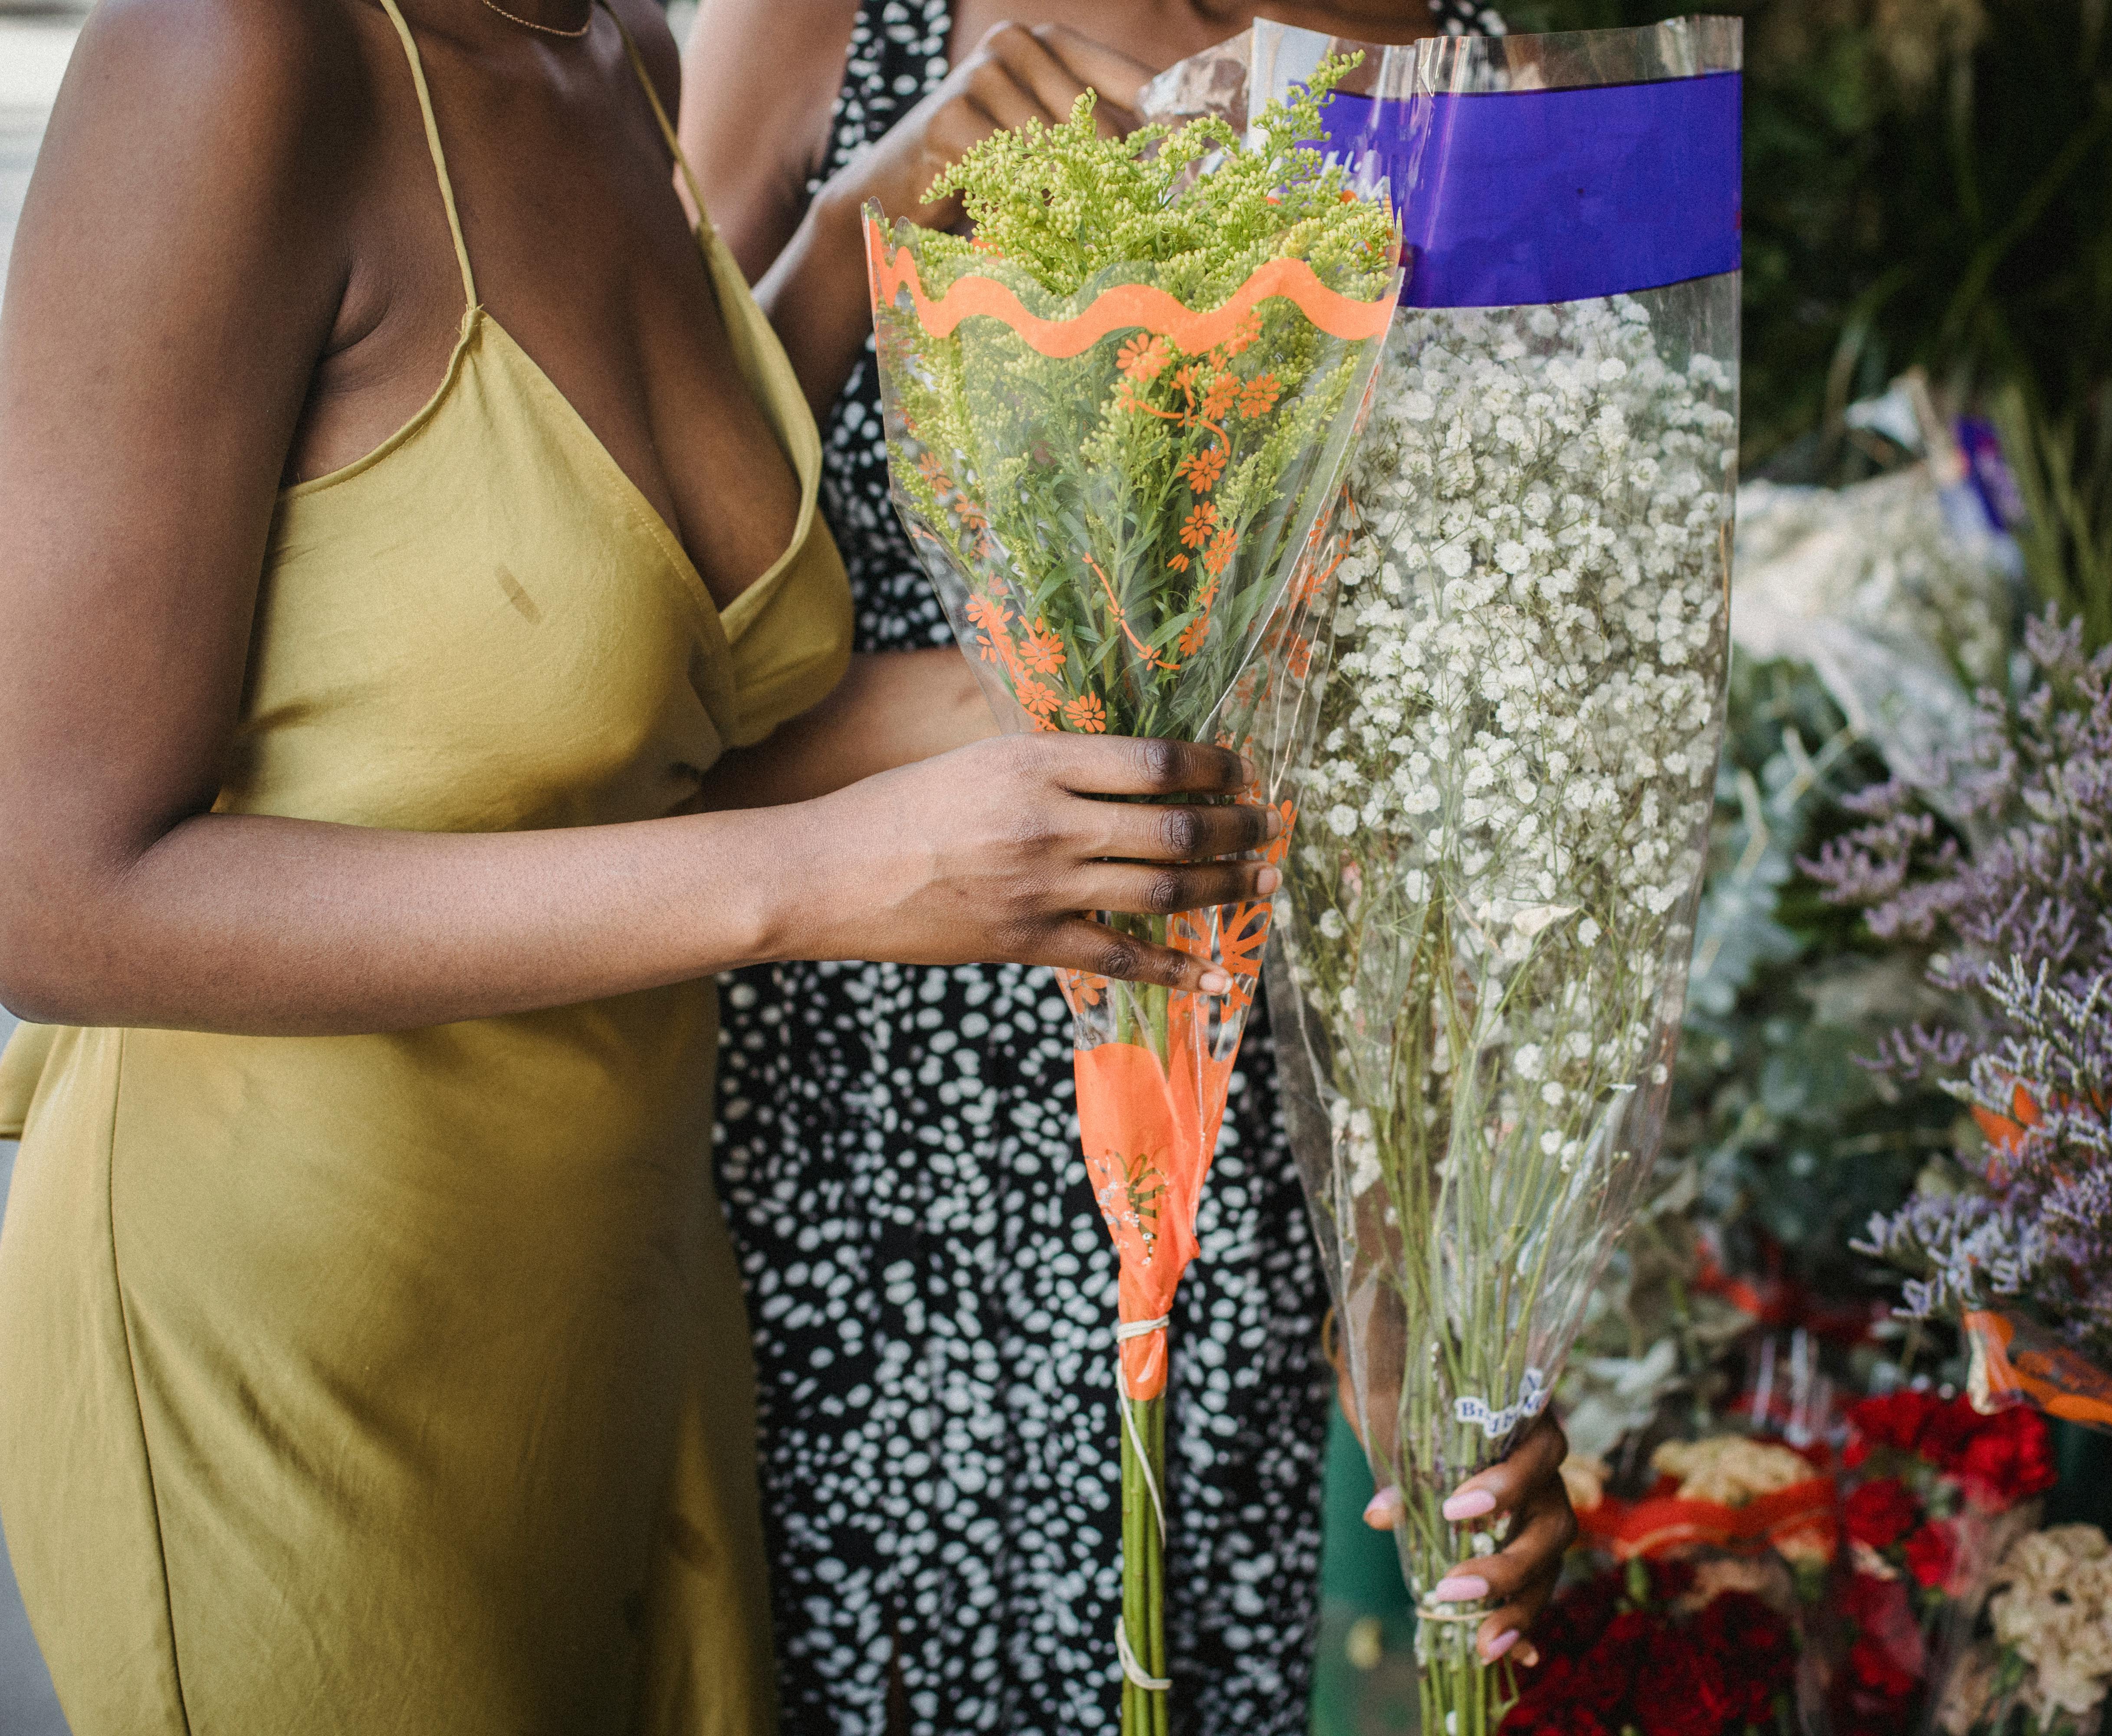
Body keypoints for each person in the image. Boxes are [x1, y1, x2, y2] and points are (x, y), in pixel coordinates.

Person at [0, 0, 1280, 1729]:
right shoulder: (235, 58)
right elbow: (53, 894)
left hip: (623, 1295)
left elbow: (605, 655)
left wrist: (867, 240)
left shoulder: (618, 55)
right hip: (302, 1340)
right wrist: (819, 878)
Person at [677, 7, 1575, 1733]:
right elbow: (636, 638)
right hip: (868, 1151)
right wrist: (875, 216)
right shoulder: (826, 26)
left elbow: (1472, 771)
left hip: (1250, 1169)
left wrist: (1432, 1292)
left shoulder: (1465, 73)